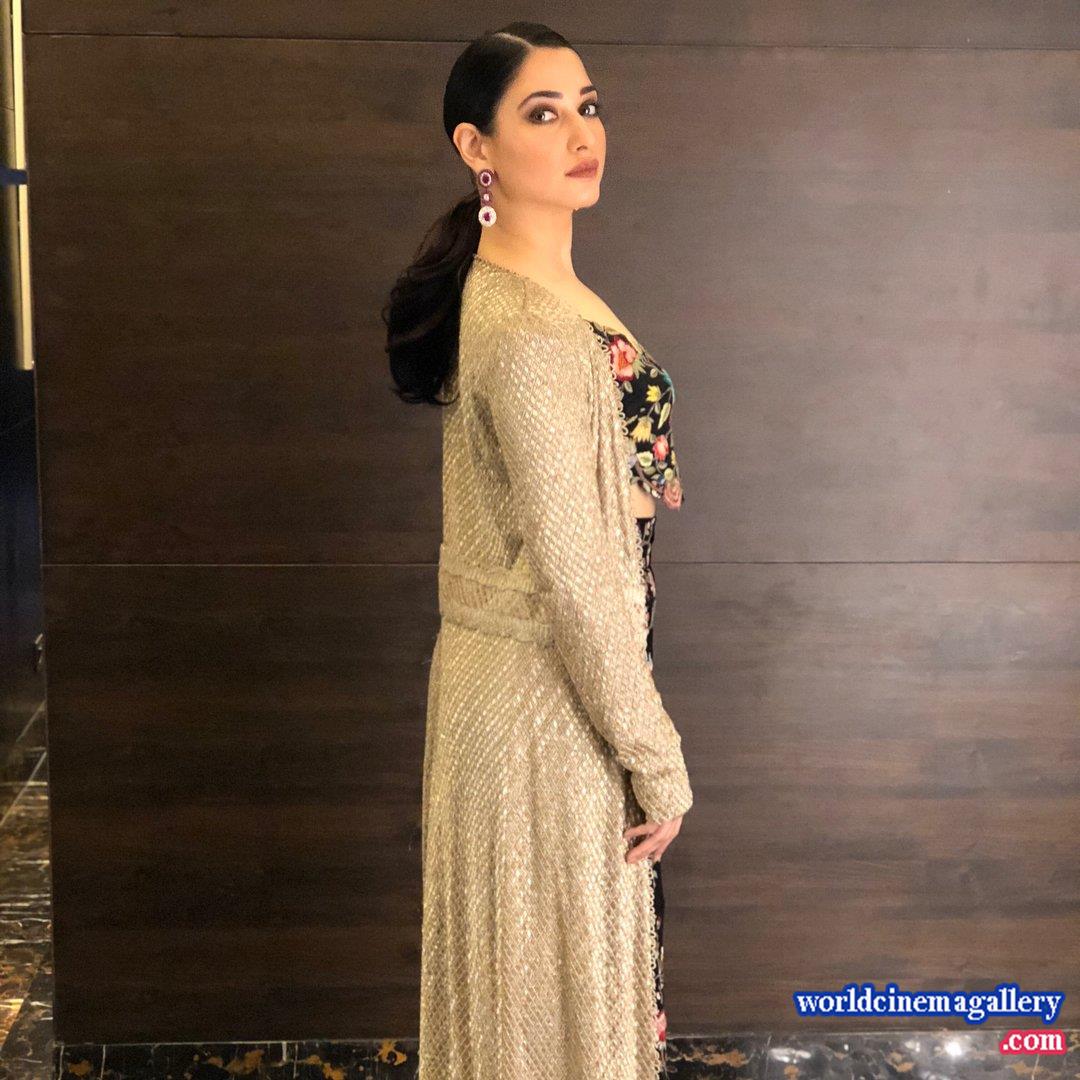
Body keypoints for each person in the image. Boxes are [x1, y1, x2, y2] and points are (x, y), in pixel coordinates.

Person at [383, 21, 693, 1079]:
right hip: (544, 712)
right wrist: (657, 759)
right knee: (551, 1028)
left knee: (539, 1018)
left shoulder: (537, 290)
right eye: (543, 113)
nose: (580, 134)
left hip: (532, 692)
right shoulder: (527, 330)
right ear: (477, 147)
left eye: (587, 106)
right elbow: (574, 575)